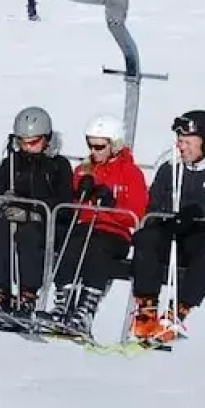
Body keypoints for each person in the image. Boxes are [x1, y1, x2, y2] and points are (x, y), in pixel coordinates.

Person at [130, 110, 205, 342]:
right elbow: (154, 203)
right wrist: (165, 217)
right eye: (179, 141)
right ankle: (146, 309)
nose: (182, 147)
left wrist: (198, 212)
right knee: (146, 239)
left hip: (201, 237)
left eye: (188, 142)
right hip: (170, 233)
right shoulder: (170, 168)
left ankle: (177, 312)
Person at [47, 115, 149, 334]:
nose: (94, 151)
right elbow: (70, 208)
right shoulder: (83, 170)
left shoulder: (131, 173)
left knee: (98, 249)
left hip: (115, 232)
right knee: (71, 245)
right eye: (90, 145)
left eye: (100, 147)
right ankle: (63, 304)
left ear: (115, 145)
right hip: (85, 226)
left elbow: (137, 213)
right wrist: (79, 195)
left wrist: (112, 204)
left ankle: (86, 309)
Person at [0, 106, 74, 315]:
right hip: (14, 219)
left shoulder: (58, 166)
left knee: (30, 236)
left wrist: (33, 211)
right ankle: (1, 292)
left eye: (33, 142)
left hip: (46, 223)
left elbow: (65, 203)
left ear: (47, 139)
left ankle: (27, 294)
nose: (28, 147)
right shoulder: (12, 163)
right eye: (23, 142)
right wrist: (3, 201)